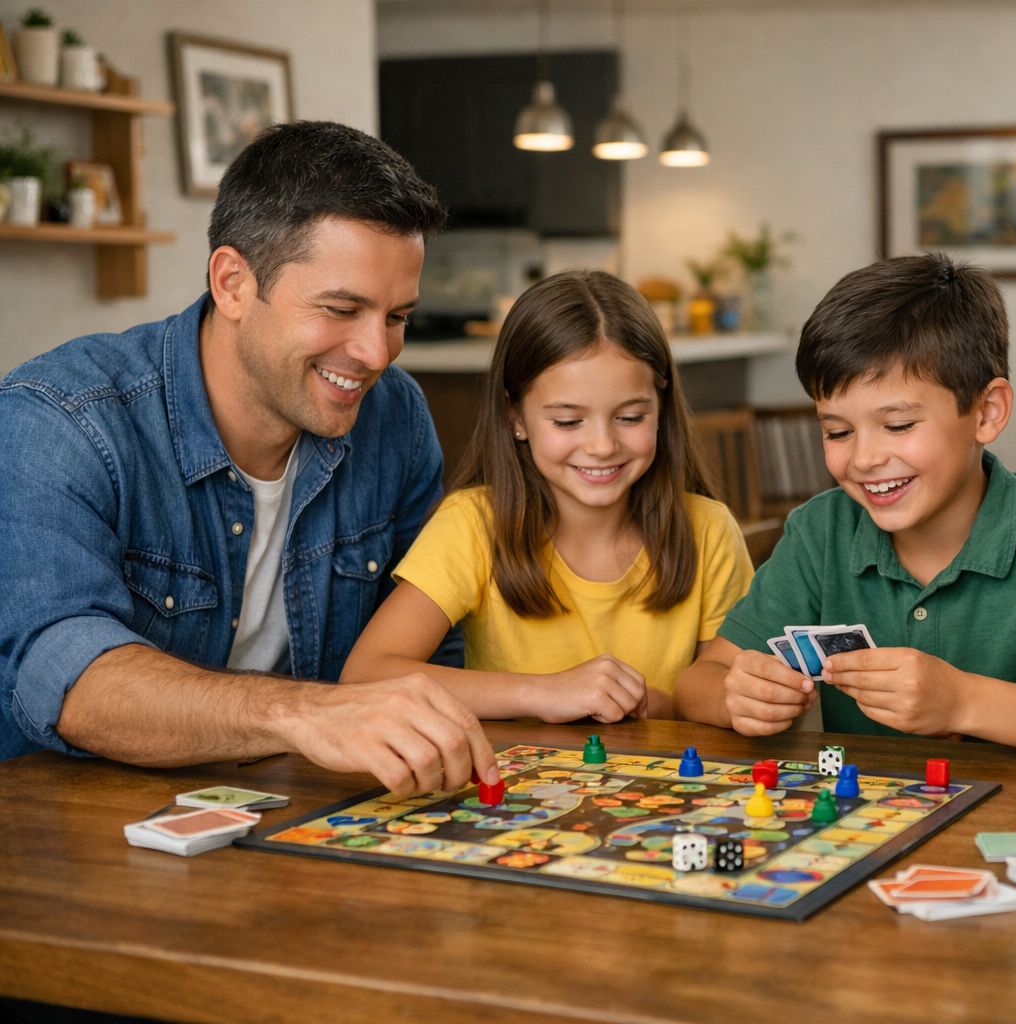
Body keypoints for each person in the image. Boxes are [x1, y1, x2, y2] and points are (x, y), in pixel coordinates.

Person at [0, 121, 500, 797]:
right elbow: (69, 681)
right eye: (342, 308)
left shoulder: (396, 418)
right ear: (233, 282)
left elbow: (426, 658)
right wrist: (303, 714)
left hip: (300, 815)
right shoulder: (58, 420)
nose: (377, 355)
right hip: (69, 833)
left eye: (396, 317)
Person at [674, 253, 1016, 751]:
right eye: (836, 431)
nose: (863, 458)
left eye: (898, 425)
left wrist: (964, 703)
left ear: (987, 412)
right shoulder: (820, 533)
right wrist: (735, 696)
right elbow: (698, 683)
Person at [341, 270, 754, 722]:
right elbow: (366, 676)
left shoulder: (708, 530)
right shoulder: (474, 524)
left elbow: (722, 693)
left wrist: (664, 706)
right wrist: (544, 693)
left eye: (631, 417)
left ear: (661, 410)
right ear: (514, 416)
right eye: (567, 421)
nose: (601, 445)